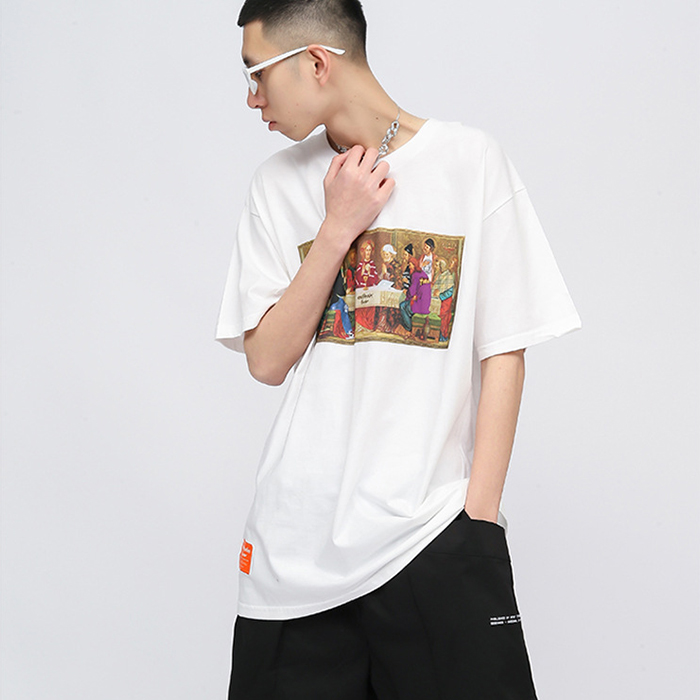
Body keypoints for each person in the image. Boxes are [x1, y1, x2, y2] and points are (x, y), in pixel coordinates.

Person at [215, 1, 582, 698]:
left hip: (433, 537)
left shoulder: (469, 162)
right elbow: (266, 360)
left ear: (315, 62)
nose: (252, 97)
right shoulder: (276, 185)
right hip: (296, 554)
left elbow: (504, 348)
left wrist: (478, 521)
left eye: (257, 73)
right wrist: (337, 228)